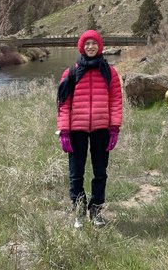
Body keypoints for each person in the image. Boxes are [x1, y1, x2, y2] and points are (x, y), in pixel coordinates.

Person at [56, 29, 123, 228]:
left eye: (94, 43)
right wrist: (64, 131)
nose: (91, 47)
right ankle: (79, 211)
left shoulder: (109, 72)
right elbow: (63, 103)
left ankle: (96, 211)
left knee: (100, 172)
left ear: (100, 46)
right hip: (76, 130)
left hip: (102, 129)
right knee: (76, 173)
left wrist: (114, 128)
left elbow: (116, 101)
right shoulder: (71, 72)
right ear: (81, 47)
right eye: (87, 44)